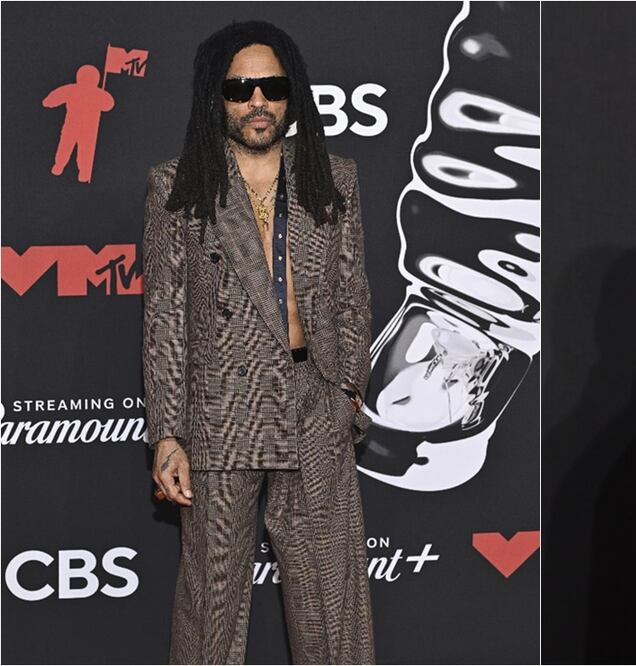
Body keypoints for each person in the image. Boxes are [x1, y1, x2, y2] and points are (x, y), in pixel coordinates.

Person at [142, 20, 374, 664]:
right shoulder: (179, 185)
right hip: (221, 410)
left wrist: (349, 389)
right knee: (209, 609)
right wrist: (168, 432)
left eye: (271, 86)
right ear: (217, 97)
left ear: (291, 92)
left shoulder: (334, 177)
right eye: (241, 87)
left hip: (314, 404)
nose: (257, 102)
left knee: (335, 607)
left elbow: (353, 291)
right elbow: (165, 318)